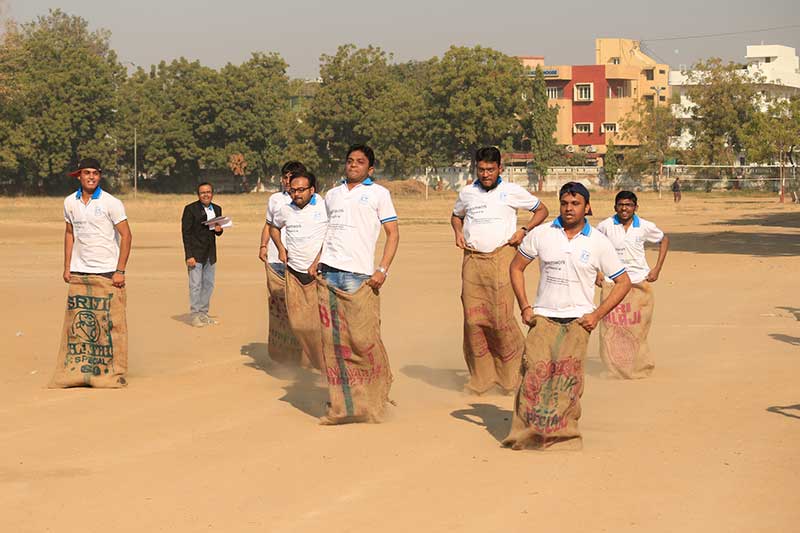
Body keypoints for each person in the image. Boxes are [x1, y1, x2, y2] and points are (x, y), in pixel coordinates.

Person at [503, 182, 631, 450]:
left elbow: (623, 282)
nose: (569, 208)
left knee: (567, 382)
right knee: (533, 376)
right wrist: (525, 306)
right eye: (564, 203)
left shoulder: (598, 242)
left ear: (587, 207)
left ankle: (562, 436)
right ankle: (525, 434)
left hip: (578, 323)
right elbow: (516, 268)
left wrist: (597, 315)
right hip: (543, 319)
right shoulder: (541, 234)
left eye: (575, 204)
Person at [451, 146, 549, 394]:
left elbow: (542, 210)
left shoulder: (512, 191)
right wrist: (458, 232)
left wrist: (524, 231)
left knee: (500, 319)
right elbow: (455, 216)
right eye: (481, 169)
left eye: (491, 170)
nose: (485, 174)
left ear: (500, 169)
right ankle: (481, 378)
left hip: (503, 256)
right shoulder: (467, 193)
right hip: (473, 260)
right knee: (474, 320)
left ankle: (511, 377)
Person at [50, 157, 132, 388]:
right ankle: (79, 371)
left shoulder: (111, 202)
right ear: (79, 176)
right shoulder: (69, 203)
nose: (91, 177)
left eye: (95, 173)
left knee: (111, 323)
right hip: (79, 272)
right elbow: (69, 234)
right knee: (79, 326)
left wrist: (120, 270)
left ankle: (113, 372)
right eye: (87, 173)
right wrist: (67, 267)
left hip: (107, 272)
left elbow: (126, 236)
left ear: (100, 176)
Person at [594, 191, 669, 378]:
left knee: (637, 327)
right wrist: (598, 271)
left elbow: (663, 239)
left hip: (638, 283)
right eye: (620, 205)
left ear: (635, 207)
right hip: (613, 283)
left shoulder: (644, 226)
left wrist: (657, 268)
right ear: (615, 207)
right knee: (611, 326)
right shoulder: (605, 226)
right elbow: (592, 245)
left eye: (628, 205)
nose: (624, 208)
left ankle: (637, 366)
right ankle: (613, 368)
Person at [317, 144, 399, 292]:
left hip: (358, 273)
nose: (353, 165)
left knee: (359, 316)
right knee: (329, 316)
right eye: (350, 161)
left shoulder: (379, 193)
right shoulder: (332, 194)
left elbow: (393, 234)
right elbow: (326, 232)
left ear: (370, 170)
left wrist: (382, 270)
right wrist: (317, 261)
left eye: (360, 162)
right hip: (328, 271)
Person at [269, 170, 328, 285]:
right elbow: (274, 227)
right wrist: (281, 249)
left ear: (311, 190)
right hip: (293, 271)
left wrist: (317, 262)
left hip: (319, 271)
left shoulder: (324, 207)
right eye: (293, 190)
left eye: (301, 190)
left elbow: (331, 237)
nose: (296, 194)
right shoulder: (285, 210)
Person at [181, 182, 223, 327]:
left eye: (208, 192)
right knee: (195, 285)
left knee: (209, 285)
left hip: (210, 254)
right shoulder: (190, 209)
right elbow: (186, 234)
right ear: (198, 195)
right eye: (202, 192)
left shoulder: (217, 209)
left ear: (212, 193)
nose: (206, 195)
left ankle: (203, 313)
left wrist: (219, 230)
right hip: (195, 254)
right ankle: (195, 315)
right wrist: (189, 255)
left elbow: (217, 230)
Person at [260, 161, 306, 276]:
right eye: (285, 177)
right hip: (275, 259)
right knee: (277, 294)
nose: (287, 181)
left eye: (291, 177)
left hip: (300, 261)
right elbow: (268, 225)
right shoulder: (275, 199)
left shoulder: (312, 200)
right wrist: (263, 246)